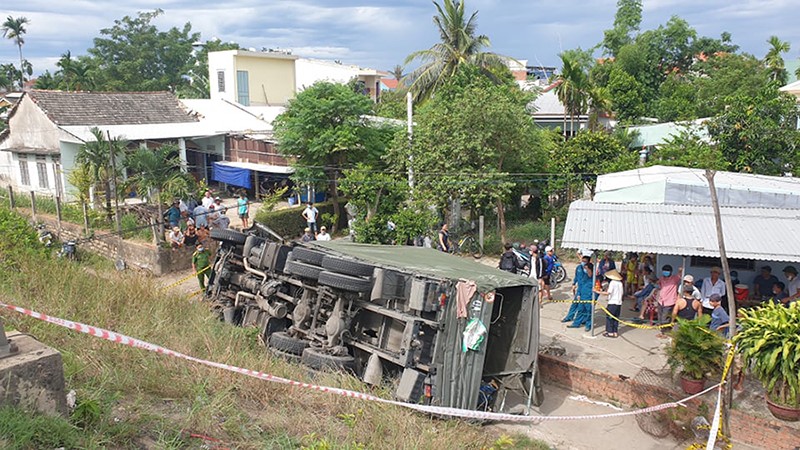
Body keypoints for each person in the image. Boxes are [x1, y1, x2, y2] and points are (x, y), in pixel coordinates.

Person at [594, 269, 623, 338]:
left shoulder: (613, 283)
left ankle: (610, 332)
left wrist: (597, 292)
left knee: (609, 317)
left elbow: (608, 293)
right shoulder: (620, 283)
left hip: (613, 302)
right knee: (616, 318)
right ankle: (615, 331)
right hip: (619, 302)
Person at [566, 262, 594, 331]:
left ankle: (588, 325)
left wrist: (594, 299)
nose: (585, 270)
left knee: (589, 312)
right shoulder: (585, 276)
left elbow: (597, 290)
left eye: (586, 269)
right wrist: (578, 294)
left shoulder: (594, 279)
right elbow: (580, 286)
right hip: (582, 297)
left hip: (589, 298)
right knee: (580, 310)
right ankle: (576, 323)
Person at [564, 254, 591, 321]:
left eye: (585, 261)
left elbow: (590, 276)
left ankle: (583, 319)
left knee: (583, 306)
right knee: (575, 304)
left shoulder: (590, 268)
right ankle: (569, 317)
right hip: (579, 288)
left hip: (586, 290)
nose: (583, 262)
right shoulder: (579, 267)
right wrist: (574, 284)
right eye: (582, 260)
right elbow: (576, 276)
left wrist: (587, 269)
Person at [657, 264, 683, 334]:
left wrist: (680, 270)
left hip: (669, 301)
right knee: (660, 317)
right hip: (661, 301)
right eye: (664, 271)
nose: (665, 272)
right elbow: (659, 285)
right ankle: (662, 330)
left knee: (665, 318)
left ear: (671, 272)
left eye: (667, 271)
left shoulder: (674, 279)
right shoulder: (661, 278)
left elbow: (680, 275)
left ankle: (665, 332)